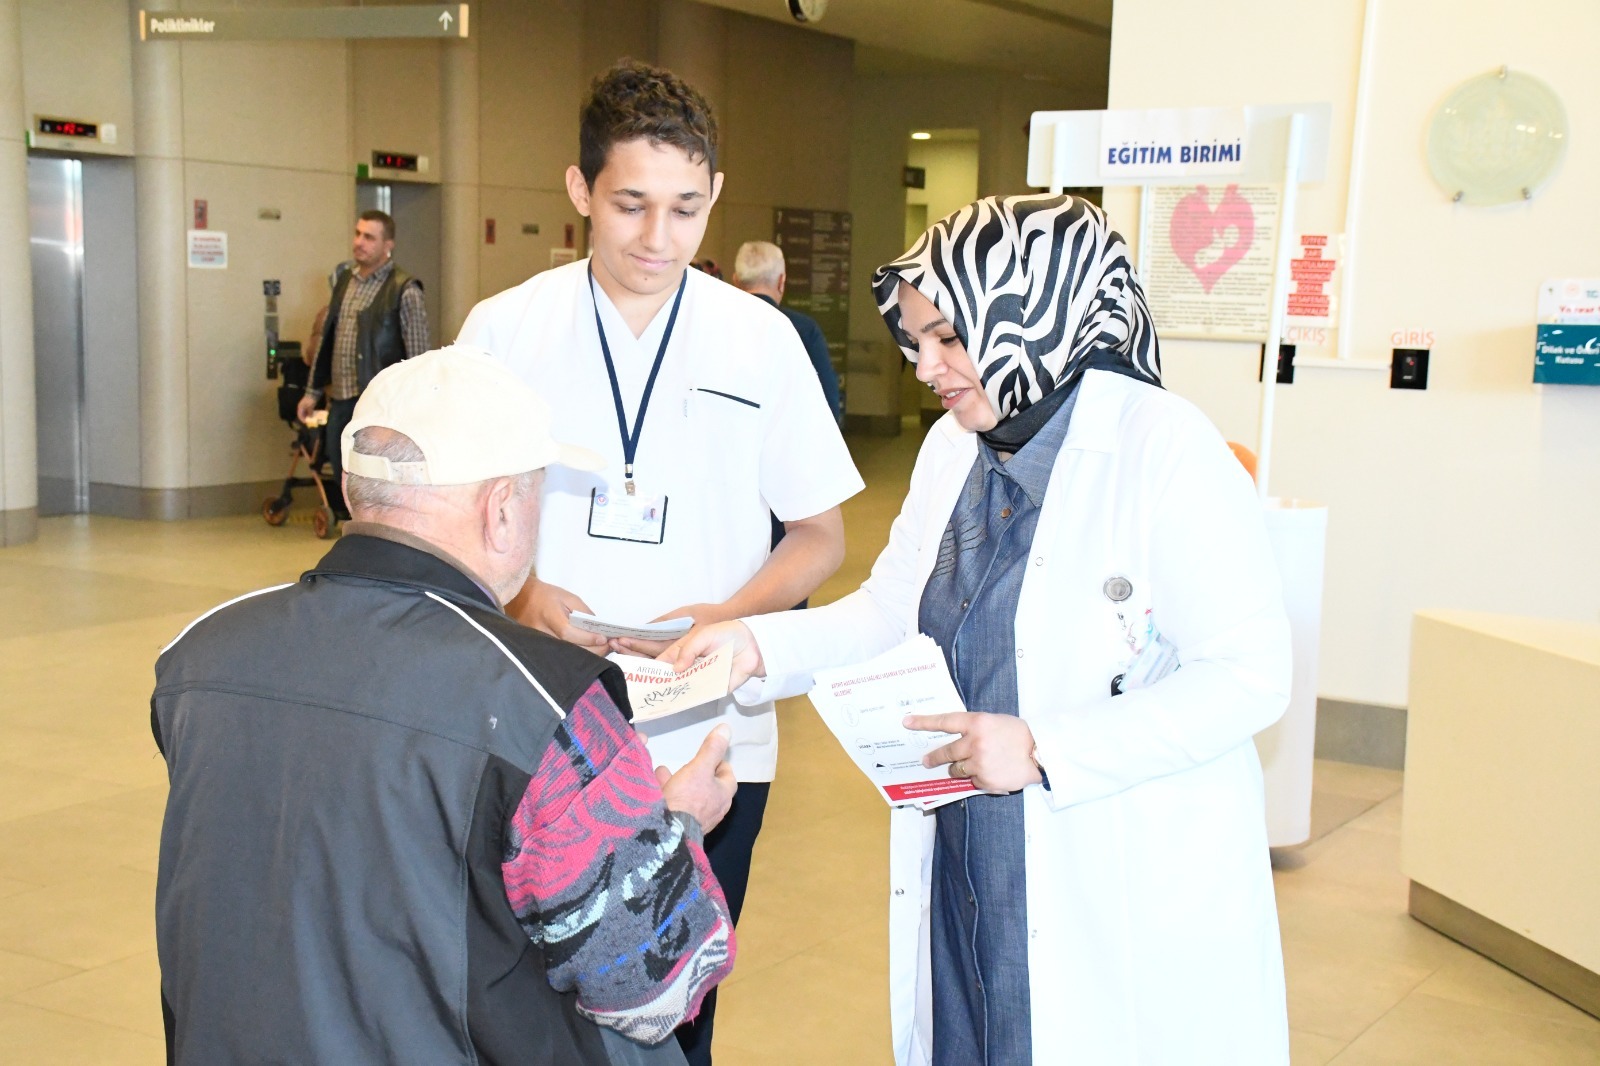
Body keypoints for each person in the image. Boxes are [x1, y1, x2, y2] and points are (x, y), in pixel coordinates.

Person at [667, 195, 1294, 1065]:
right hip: (969, 847)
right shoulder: (955, 449)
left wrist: (1047, 749)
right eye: (918, 340)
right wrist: (755, 644)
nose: (926, 368)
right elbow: (892, 613)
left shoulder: (1166, 449)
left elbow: (1252, 673)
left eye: (949, 339)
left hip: (1110, 861)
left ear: (1031, 316)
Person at [154, 346, 737, 1066]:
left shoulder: (200, 656)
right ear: (500, 511)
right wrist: (680, 827)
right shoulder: (545, 702)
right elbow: (659, 989)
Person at [457, 60, 863, 1066]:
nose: (656, 237)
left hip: (709, 726)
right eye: (629, 204)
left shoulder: (762, 344)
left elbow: (822, 534)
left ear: (715, 196)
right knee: (526, 991)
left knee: (673, 997)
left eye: (684, 208)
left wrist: (729, 612)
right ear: (578, 190)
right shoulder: (506, 331)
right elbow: (444, 519)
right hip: (536, 717)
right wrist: (520, 589)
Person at [297, 211, 430, 519]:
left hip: (379, 404)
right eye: (358, 234)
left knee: (374, 479)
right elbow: (327, 340)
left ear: (388, 245)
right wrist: (311, 392)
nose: (359, 242)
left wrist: (414, 410)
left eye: (369, 237)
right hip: (342, 397)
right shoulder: (345, 282)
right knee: (340, 467)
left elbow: (418, 357)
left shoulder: (404, 289)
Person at [733, 240, 842, 425]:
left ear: (735, 280)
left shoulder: (709, 324)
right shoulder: (804, 330)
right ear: (781, 282)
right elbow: (827, 407)